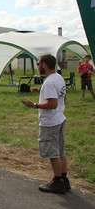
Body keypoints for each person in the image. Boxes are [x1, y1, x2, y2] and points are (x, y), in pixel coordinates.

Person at [21, 54, 69, 194]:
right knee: (60, 151)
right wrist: (60, 109)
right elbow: (63, 98)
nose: (37, 66)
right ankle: (64, 179)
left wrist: (34, 105)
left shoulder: (49, 82)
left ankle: (57, 181)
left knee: (53, 153)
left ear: (44, 65)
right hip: (60, 118)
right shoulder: (59, 78)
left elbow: (52, 103)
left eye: (38, 64)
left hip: (50, 122)